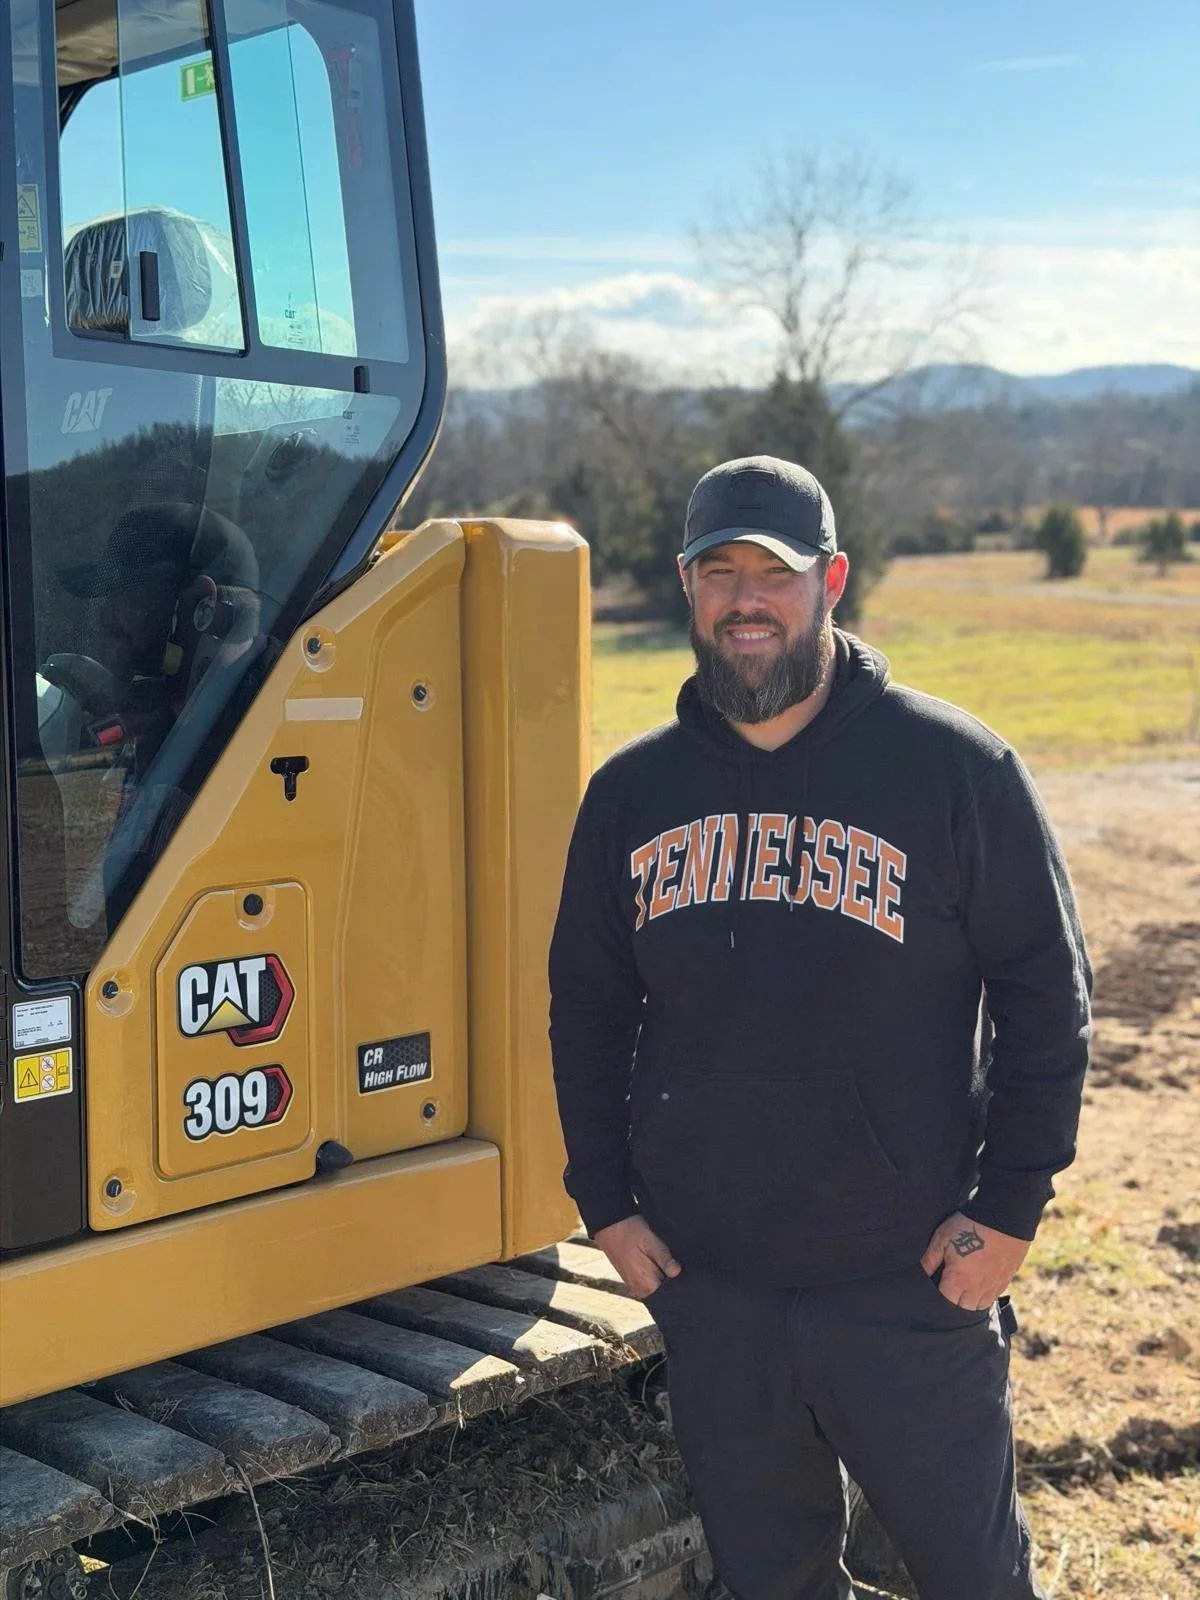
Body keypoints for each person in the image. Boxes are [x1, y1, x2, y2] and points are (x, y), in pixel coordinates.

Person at [548, 455, 1091, 1600]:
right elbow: (588, 1005)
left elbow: (1050, 998)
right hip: (715, 1289)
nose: (748, 599)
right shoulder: (631, 795)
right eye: (721, 571)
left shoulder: (952, 768)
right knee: (772, 1583)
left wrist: (1008, 1210)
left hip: (908, 1282)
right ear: (689, 586)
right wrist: (602, 1193)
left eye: (777, 574)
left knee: (973, 1581)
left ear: (832, 581)